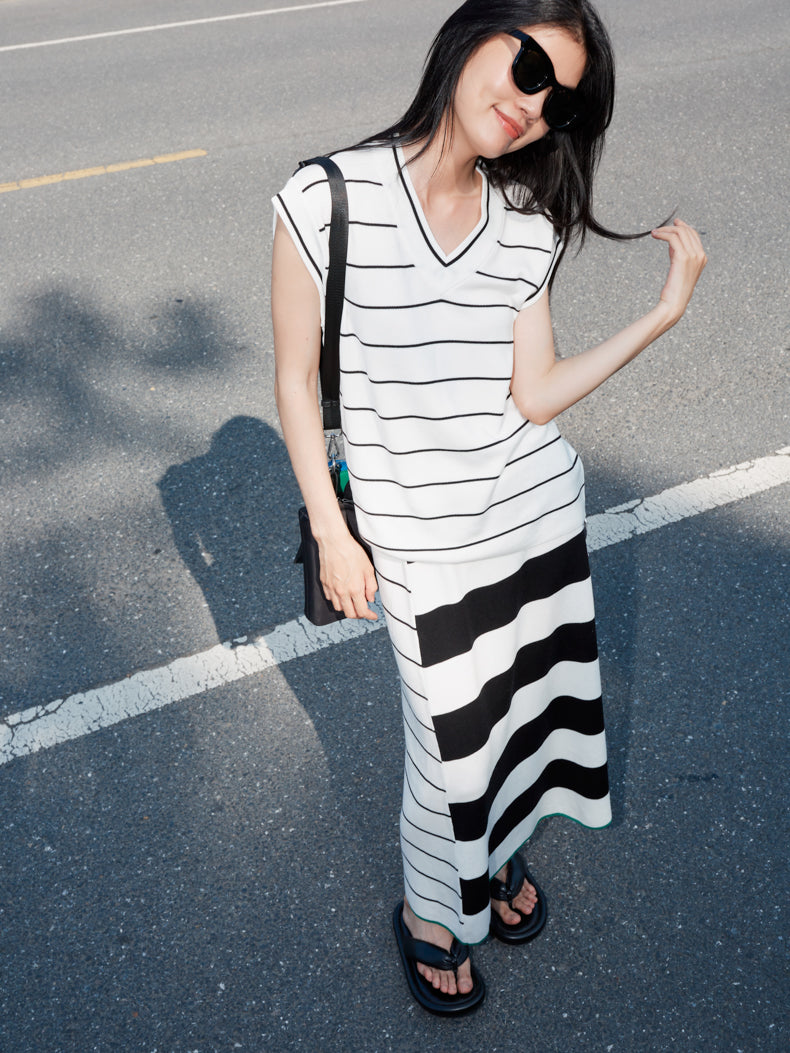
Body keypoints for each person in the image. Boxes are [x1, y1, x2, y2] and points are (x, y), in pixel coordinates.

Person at [271, 0, 706, 1016]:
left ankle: (497, 855)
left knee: (520, 721)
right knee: (447, 750)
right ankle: (433, 911)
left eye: (559, 101)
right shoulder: (326, 197)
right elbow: (294, 379)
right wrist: (332, 531)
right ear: (472, 36)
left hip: (534, 522)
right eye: (526, 67)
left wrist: (661, 314)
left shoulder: (525, 221)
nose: (530, 104)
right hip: (419, 544)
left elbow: (534, 395)